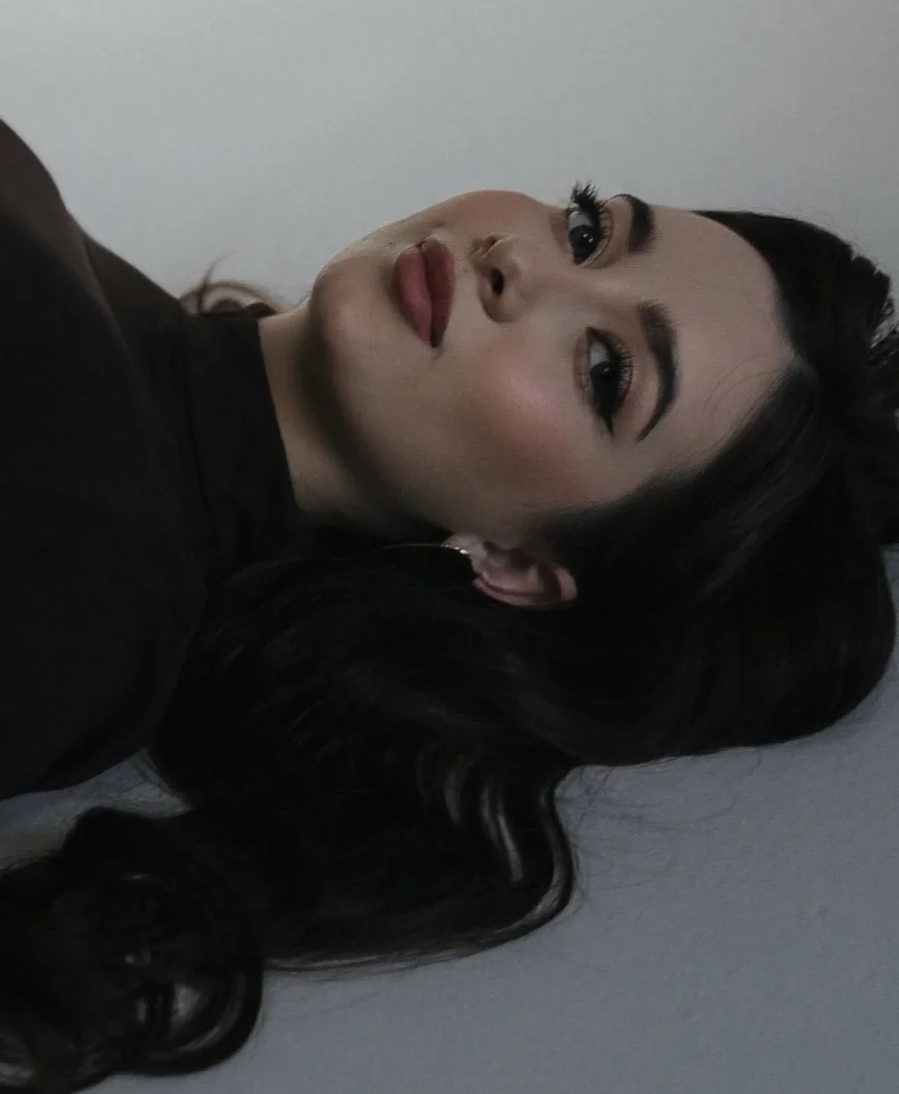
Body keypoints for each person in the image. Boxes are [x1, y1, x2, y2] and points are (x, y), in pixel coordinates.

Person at [0, 115, 897, 1090]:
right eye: (588, 231)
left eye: (605, 371)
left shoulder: (78, 594)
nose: (519, 264)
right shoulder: (109, 340)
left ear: (517, 563)